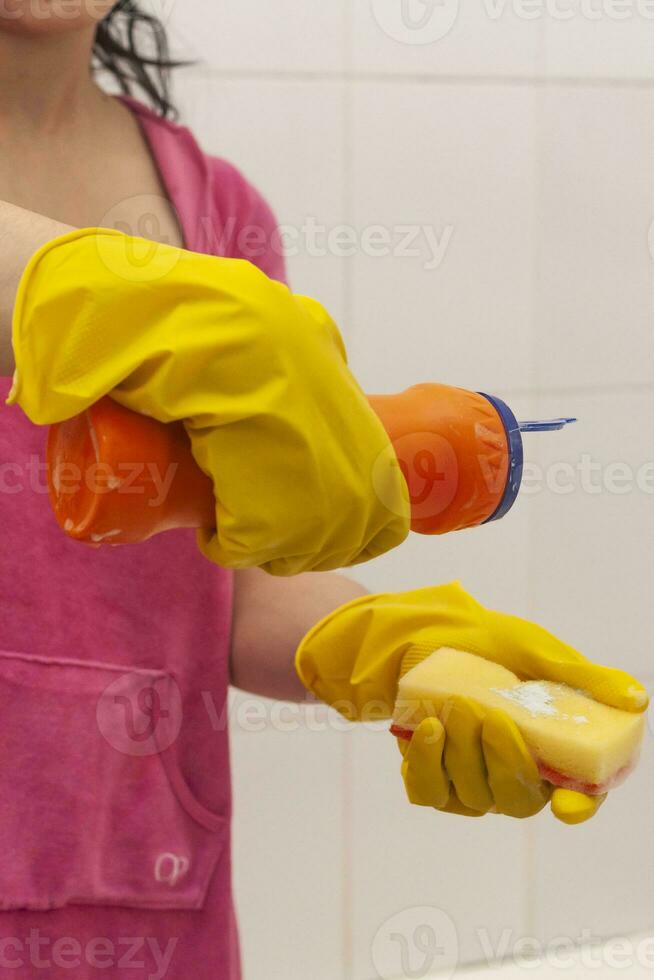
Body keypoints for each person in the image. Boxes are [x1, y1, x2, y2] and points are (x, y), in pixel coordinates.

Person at [0, 3, 647, 978]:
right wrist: (65, 284)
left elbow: (236, 578)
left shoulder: (217, 214)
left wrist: (389, 650)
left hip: (139, 882)